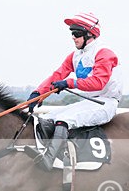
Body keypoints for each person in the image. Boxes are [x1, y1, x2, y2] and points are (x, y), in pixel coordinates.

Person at [26, 12, 123, 171]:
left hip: (105, 103)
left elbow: (98, 82)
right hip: (88, 103)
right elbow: (57, 75)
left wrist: (69, 83)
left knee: (63, 120)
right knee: (47, 118)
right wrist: (38, 94)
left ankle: (49, 161)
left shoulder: (104, 53)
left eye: (77, 33)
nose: (73, 37)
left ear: (90, 35)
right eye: (72, 33)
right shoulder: (75, 56)